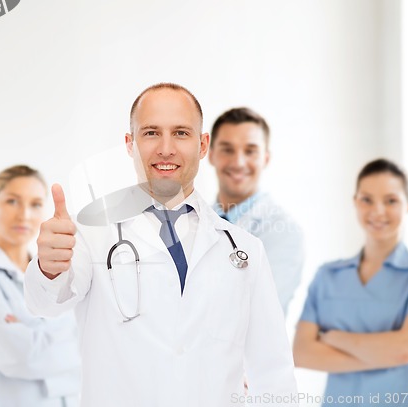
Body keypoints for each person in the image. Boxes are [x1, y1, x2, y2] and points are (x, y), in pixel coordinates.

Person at [24, 83, 298, 407]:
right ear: (130, 143)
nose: (166, 149)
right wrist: (48, 268)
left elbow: (273, 373)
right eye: (151, 133)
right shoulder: (90, 231)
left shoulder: (244, 249)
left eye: (181, 133)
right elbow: (47, 303)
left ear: (202, 144)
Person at [293, 159, 408, 406]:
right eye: (367, 199)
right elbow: (301, 353)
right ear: (355, 202)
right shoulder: (327, 276)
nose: (378, 211)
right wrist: (388, 354)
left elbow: (405, 349)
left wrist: (333, 338)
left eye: (391, 200)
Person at [0, 165, 81, 407]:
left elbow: (91, 346)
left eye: (35, 204)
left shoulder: (56, 274)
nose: (24, 214)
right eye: (12, 201)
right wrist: (76, 340)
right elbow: (21, 356)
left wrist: (35, 336)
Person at [208, 107, 304, 314]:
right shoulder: (191, 223)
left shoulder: (285, 233)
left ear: (266, 158)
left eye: (250, 151)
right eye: (227, 149)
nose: (238, 162)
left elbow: (258, 312)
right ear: (211, 154)